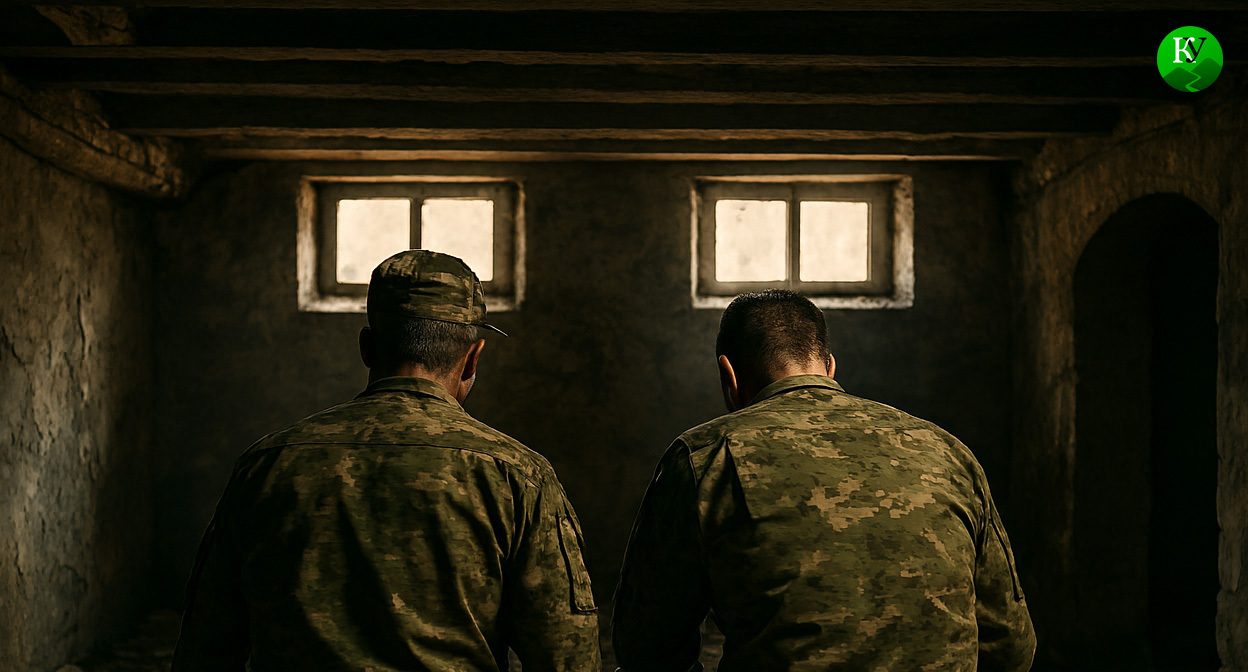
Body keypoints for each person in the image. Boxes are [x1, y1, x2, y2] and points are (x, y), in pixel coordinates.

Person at [172, 250, 600, 672]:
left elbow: (204, 648)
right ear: (473, 358)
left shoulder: (267, 465)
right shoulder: (517, 475)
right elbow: (567, 656)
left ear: (367, 346)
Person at [612, 289, 1035, 672]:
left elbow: (646, 651)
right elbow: (1011, 645)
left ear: (729, 376)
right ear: (829, 367)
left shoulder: (704, 458)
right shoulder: (948, 451)